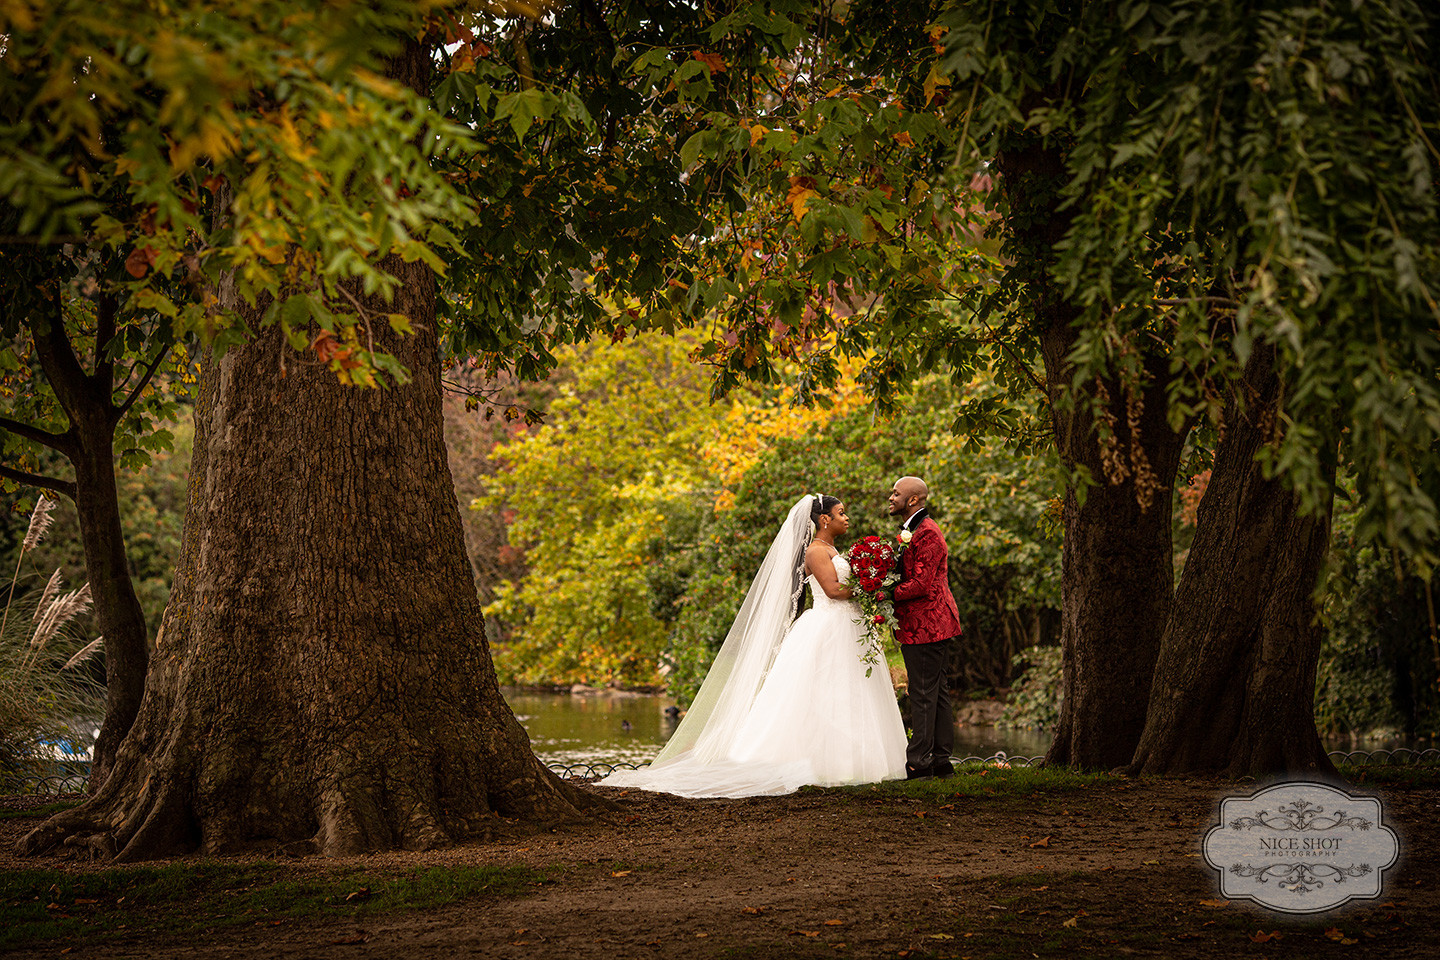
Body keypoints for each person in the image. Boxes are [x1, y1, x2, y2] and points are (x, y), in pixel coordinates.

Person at [600, 495, 907, 797]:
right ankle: (823, 765)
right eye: (841, 512)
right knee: (826, 694)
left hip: (847, 626)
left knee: (849, 693)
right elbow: (833, 590)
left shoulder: (832, 548)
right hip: (830, 626)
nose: (846, 518)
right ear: (824, 519)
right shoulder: (815, 551)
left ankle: (853, 764)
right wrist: (874, 585)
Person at [887, 476, 962, 779]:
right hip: (926, 624)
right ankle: (941, 761)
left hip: (928, 624)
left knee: (922, 692)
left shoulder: (927, 533)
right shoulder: (913, 530)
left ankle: (919, 762)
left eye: (896, 493)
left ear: (914, 500)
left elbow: (921, 585)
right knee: (936, 692)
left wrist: (885, 592)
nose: (891, 497)